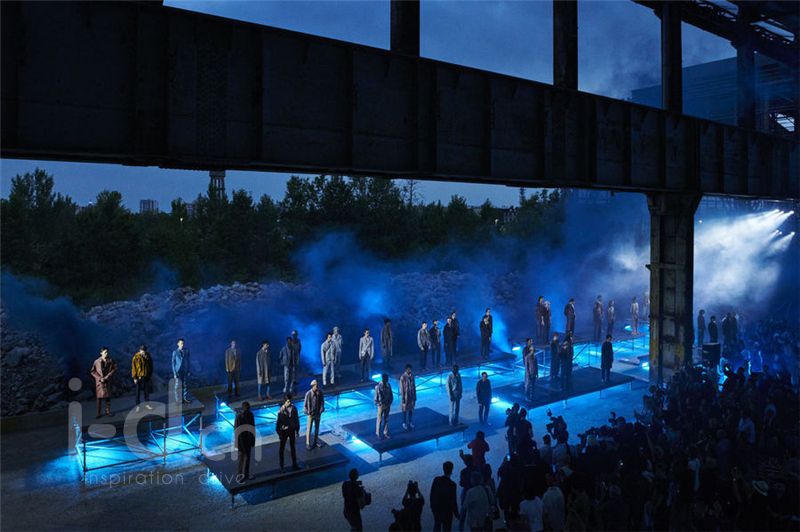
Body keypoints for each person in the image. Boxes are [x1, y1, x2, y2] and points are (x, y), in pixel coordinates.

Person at [431, 461, 459, 532]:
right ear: (452, 470)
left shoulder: (436, 480)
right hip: (448, 511)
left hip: (437, 509)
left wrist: (433, 507)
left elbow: (432, 495)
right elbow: (453, 501)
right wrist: (456, 514)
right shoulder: (452, 485)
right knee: (447, 528)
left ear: (443, 469)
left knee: (437, 526)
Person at [91, 347, 117, 418]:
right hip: (99, 382)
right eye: (105, 352)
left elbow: (115, 368)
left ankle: (108, 411)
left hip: (107, 381)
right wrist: (100, 378)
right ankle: (98, 413)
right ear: (101, 353)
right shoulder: (96, 361)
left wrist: (108, 376)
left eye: (107, 352)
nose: (106, 353)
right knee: (99, 398)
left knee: (108, 397)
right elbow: (93, 371)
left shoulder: (111, 361)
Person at [276, 393, 300, 472]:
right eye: (288, 401)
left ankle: (294, 464)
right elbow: (278, 423)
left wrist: (297, 430)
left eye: (290, 401)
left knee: (293, 447)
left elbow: (296, 419)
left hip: (292, 430)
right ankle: (282, 466)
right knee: (281, 449)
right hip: (284, 431)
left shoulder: (294, 409)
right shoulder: (281, 410)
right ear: (285, 401)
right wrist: (279, 433)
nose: (289, 403)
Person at [234, 401, 256, 482]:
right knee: (241, 458)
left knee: (247, 458)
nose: (248, 409)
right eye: (247, 408)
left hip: (248, 439)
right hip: (241, 440)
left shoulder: (250, 415)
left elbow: (253, 427)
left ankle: (246, 474)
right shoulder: (239, 416)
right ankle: (240, 475)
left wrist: (253, 440)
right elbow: (237, 430)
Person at [131, 344, 153, 411]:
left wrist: (150, 374)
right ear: (140, 350)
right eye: (142, 351)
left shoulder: (148, 356)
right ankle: (137, 406)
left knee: (146, 391)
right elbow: (133, 368)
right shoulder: (136, 357)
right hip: (139, 377)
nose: (143, 352)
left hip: (146, 376)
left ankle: (147, 404)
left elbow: (151, 366)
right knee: (137, 392)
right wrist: (134, 377)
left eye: (144, 351)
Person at [303, 380, 324, 450]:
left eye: (317, 385)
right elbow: (305, 405)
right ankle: (308, 443)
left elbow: (322, 402)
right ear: (313, 386)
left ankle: (315, 441)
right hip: (311, 414)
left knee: (317, 428)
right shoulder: (308, 394)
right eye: (316, 386)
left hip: (317, 413)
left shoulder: (320, 393)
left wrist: (321, 410)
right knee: (309, 429)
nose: (317, 387)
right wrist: (308, 412)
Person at [171, 338, 191, 404]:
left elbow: (188, 361)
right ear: (178, 344)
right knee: (178, 386)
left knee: (185, 385)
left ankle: (185, 398)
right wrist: (174, 373)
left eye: (183, 343)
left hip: (185, 370)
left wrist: (188, 370)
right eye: (181, 343)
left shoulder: (187, 351)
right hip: (178, 371)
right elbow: (173, 363)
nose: (182, 345)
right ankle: (178, 400)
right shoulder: (175, 352)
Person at [374, 373, 393, 439]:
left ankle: (385, 432)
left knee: (386, 419)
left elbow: (391, 394)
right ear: (383, 379)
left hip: (387, 404)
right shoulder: (378, 386)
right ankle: (378, 433)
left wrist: (390, 402)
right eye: (386, 378)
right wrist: (378, 404)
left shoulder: (388, 385)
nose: (387, 379)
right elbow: (376, 397)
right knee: (379, 420)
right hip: (381, 405)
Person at [400, 364, 417, 430]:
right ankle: (404, 422)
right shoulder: (403, 377)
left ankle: (410, 422)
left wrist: (415, 396)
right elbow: (402, 388)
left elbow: (414, 386)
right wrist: (403, 398)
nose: (410, 370)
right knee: (404, 410)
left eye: (410, 369)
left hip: (411, 395)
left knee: (411, 409)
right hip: (405, 396)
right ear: (406, 369)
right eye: (409, 369)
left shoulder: (412, 376)